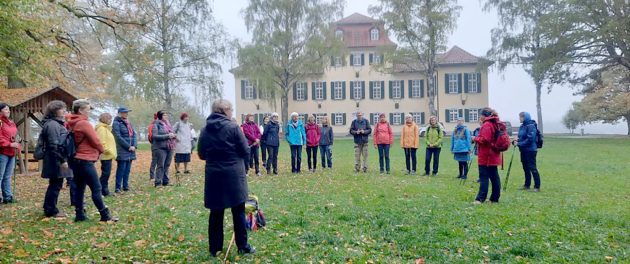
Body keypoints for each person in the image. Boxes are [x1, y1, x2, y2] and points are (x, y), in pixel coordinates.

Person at [198, 99, 255, 257]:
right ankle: (242, 246)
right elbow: (245, 150)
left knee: (216, 213)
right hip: (233, 175)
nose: (232, 113)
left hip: (214, 175)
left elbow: (202, 154)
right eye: (231, 110)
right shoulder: (233, 127)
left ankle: (215, 248)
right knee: (238, 211)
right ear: (224, 110)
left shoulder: (205, 129)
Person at [66, 99, 117, 222]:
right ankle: (105, 215)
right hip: (85, 159)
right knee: (96, 188)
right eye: (88, 110)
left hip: (76, 159)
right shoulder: (84, 123)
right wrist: (101, 150)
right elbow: (95, 140)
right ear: (80, 110)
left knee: (80, 188)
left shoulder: (72, 122)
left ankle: (80, 215)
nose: (89, 112)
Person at [40, 100, 71, 218]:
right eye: (61, 109)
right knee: (55, 185)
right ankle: (51, 210)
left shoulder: (56, 123)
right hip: (55, 159)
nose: (64, 111)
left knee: (55, 184)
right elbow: (54, 145)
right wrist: (62, 161)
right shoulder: (52, 125)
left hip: (56, 158)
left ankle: (49, 207)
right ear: (54, 111)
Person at [474, 107, 502, 204]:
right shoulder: (494, 123)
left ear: (483, 115)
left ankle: (480, 198)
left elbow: (485, 139)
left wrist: (475, 138)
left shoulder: (487, 125)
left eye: (480, 115)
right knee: (494, 177)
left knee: (484, 177)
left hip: (486, 156)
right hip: (493, 154)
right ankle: (495, 198)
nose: (479, 117)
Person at [112, 107, 137, 193]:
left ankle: (125, 186)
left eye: (127, 112)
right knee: (121, 168)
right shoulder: (116, 123)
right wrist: (128, 146)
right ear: (120, 113)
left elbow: (134, 134)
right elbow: (118, 137)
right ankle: (118, 187)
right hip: (122, 149)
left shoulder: (129, 123)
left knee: (128, 169)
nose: (126, 114)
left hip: (131, 150)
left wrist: (134, 145)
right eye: (124, 112)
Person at [0, 103, 21, 204]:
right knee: (0, 176)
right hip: (2, 152)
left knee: (7, 176)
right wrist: (9, 144)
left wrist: (17, 142)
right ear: (0, 111)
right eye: (5, 109)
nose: (8, 111)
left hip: (11, 153)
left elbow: (16, 135)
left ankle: (7, 197)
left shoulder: (11, 122)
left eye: (8, 109)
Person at [515, 112, 541, 192]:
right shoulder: (522, 126)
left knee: (532, 167)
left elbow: (530, 139)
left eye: (520, 117)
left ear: (525, 117)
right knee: (525, 168)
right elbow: (521, 137)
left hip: (530, 150)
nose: (519, 119)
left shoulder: (531, 126)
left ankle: (537, 186)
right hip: (523, 150)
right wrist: (516, 140)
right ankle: (527, 185)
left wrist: (519, 143)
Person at [152, 111, 176, 187]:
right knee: (161, 165)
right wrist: (167, 136)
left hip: (169, 147)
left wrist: (174, 135)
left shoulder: (168, 124)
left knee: (167, 165)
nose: (166, 116)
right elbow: (154, 136)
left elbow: (171, 133)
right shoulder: (156, 124)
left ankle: (165, 181)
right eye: (164, 115)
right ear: (160, 116)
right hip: (160, 148)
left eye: (166, 115)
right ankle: (158, 182)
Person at [95, 113, 117, 196]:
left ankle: (104, 190)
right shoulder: (101, 129)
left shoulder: (106, 128)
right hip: (105, 154)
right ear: (104, 119)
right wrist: (107, 151)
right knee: (105, 174)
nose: (110, 121)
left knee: (106, 174)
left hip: (108, 155)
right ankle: (102, 191)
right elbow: (101, 142)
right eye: (109, 119)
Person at [148, 113, 158, 180]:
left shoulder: (151, 125)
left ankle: (154, 175)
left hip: (154, 144)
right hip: (155, 144)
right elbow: (150, 136)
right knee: (154, 160)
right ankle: (152, 175)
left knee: (155, 161)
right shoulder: (153, 125)